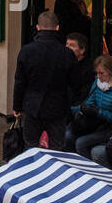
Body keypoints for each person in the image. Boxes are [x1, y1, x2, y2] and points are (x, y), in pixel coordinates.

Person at [12, 10, 77, 151]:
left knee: (31, 147)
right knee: (57, 148)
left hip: (32, 106)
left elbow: (20, 82)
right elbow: (74, 83)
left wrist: (17, 106)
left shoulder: (27, 51)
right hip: (57, 108)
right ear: (57, 28)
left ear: (38, 28)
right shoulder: (67, 54)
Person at [65, 54, 112, 162]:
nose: (98, 76)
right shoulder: (97, 82)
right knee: (68, 135)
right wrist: (71, 109)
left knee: (81, 143)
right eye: (97, 73)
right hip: (95, 123)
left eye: (102, 73)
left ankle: (90, 171)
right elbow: (89, 103)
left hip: (107, 127)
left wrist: (99, 112)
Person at [66, 32, 95, 104]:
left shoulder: (90, 68)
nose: (67, 48)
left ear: (82, 50)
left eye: (71, 45)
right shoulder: (63, 63)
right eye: (67, 44)